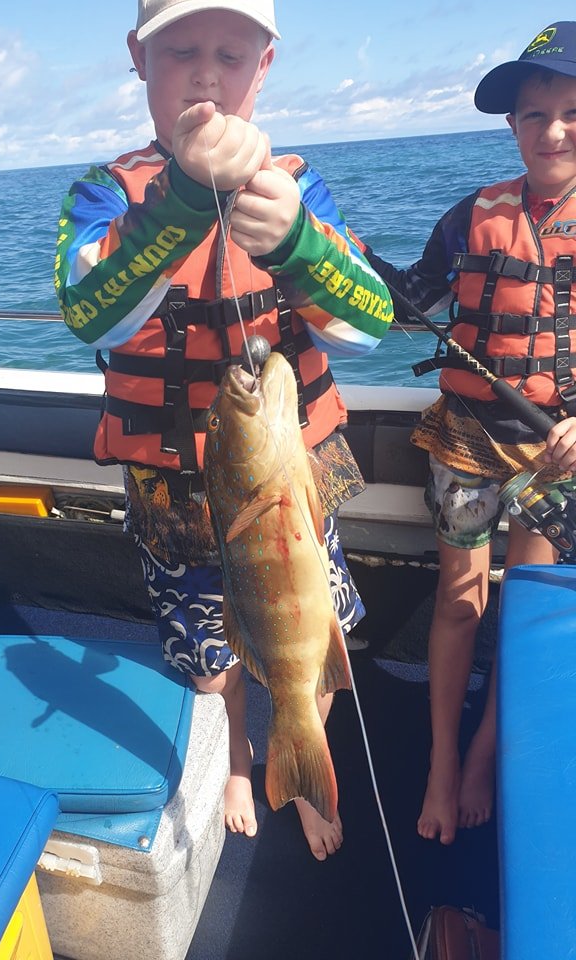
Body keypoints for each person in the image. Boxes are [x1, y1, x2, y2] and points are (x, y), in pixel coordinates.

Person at [54, 0, 393, 860]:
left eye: (231, 54)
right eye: (182, 52)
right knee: (211, 657)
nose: (207, 74)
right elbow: (90, 316)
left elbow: (371, 325)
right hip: (173, 491)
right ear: (138, 57)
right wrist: (171, 208)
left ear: (265, 66)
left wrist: (298, 245)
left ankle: (303, 752)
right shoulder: (106, 193)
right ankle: (240, 758)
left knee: (310, 642)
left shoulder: (298, 184)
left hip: (289, 480)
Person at [363, 20, 576, 845]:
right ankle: (443, 762)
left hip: (555, 455)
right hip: (466, 438)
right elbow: (407, 297)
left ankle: (487, 755)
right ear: (513, 124)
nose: (552, 131)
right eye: (532, 114)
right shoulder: (472, 213)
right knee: (459, 601)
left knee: (522, 610)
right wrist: (331, 254)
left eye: (569, 110)